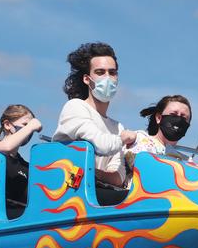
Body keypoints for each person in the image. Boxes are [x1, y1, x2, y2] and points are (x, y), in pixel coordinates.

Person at [52, 42, 136, 204]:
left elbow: (118, 176)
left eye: (112, 73)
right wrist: (123, 139)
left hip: (97, 192)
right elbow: (100, 145)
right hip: (69, 195)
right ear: (86, 78)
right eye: (100, 72)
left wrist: (94, 173)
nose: (107, 78)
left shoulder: (117, 127)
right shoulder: (75, 107)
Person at [0, 104, 42, 219]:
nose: (29, 131)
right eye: (25, 125)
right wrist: (31, 126)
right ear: (7, 125)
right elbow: (6, 147)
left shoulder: (26, 166)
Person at [123, 95, 192, 184]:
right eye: (173, 115)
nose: (178, 119)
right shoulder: (137, 138)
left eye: (183, 117)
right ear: (159, 118)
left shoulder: (187, 162)